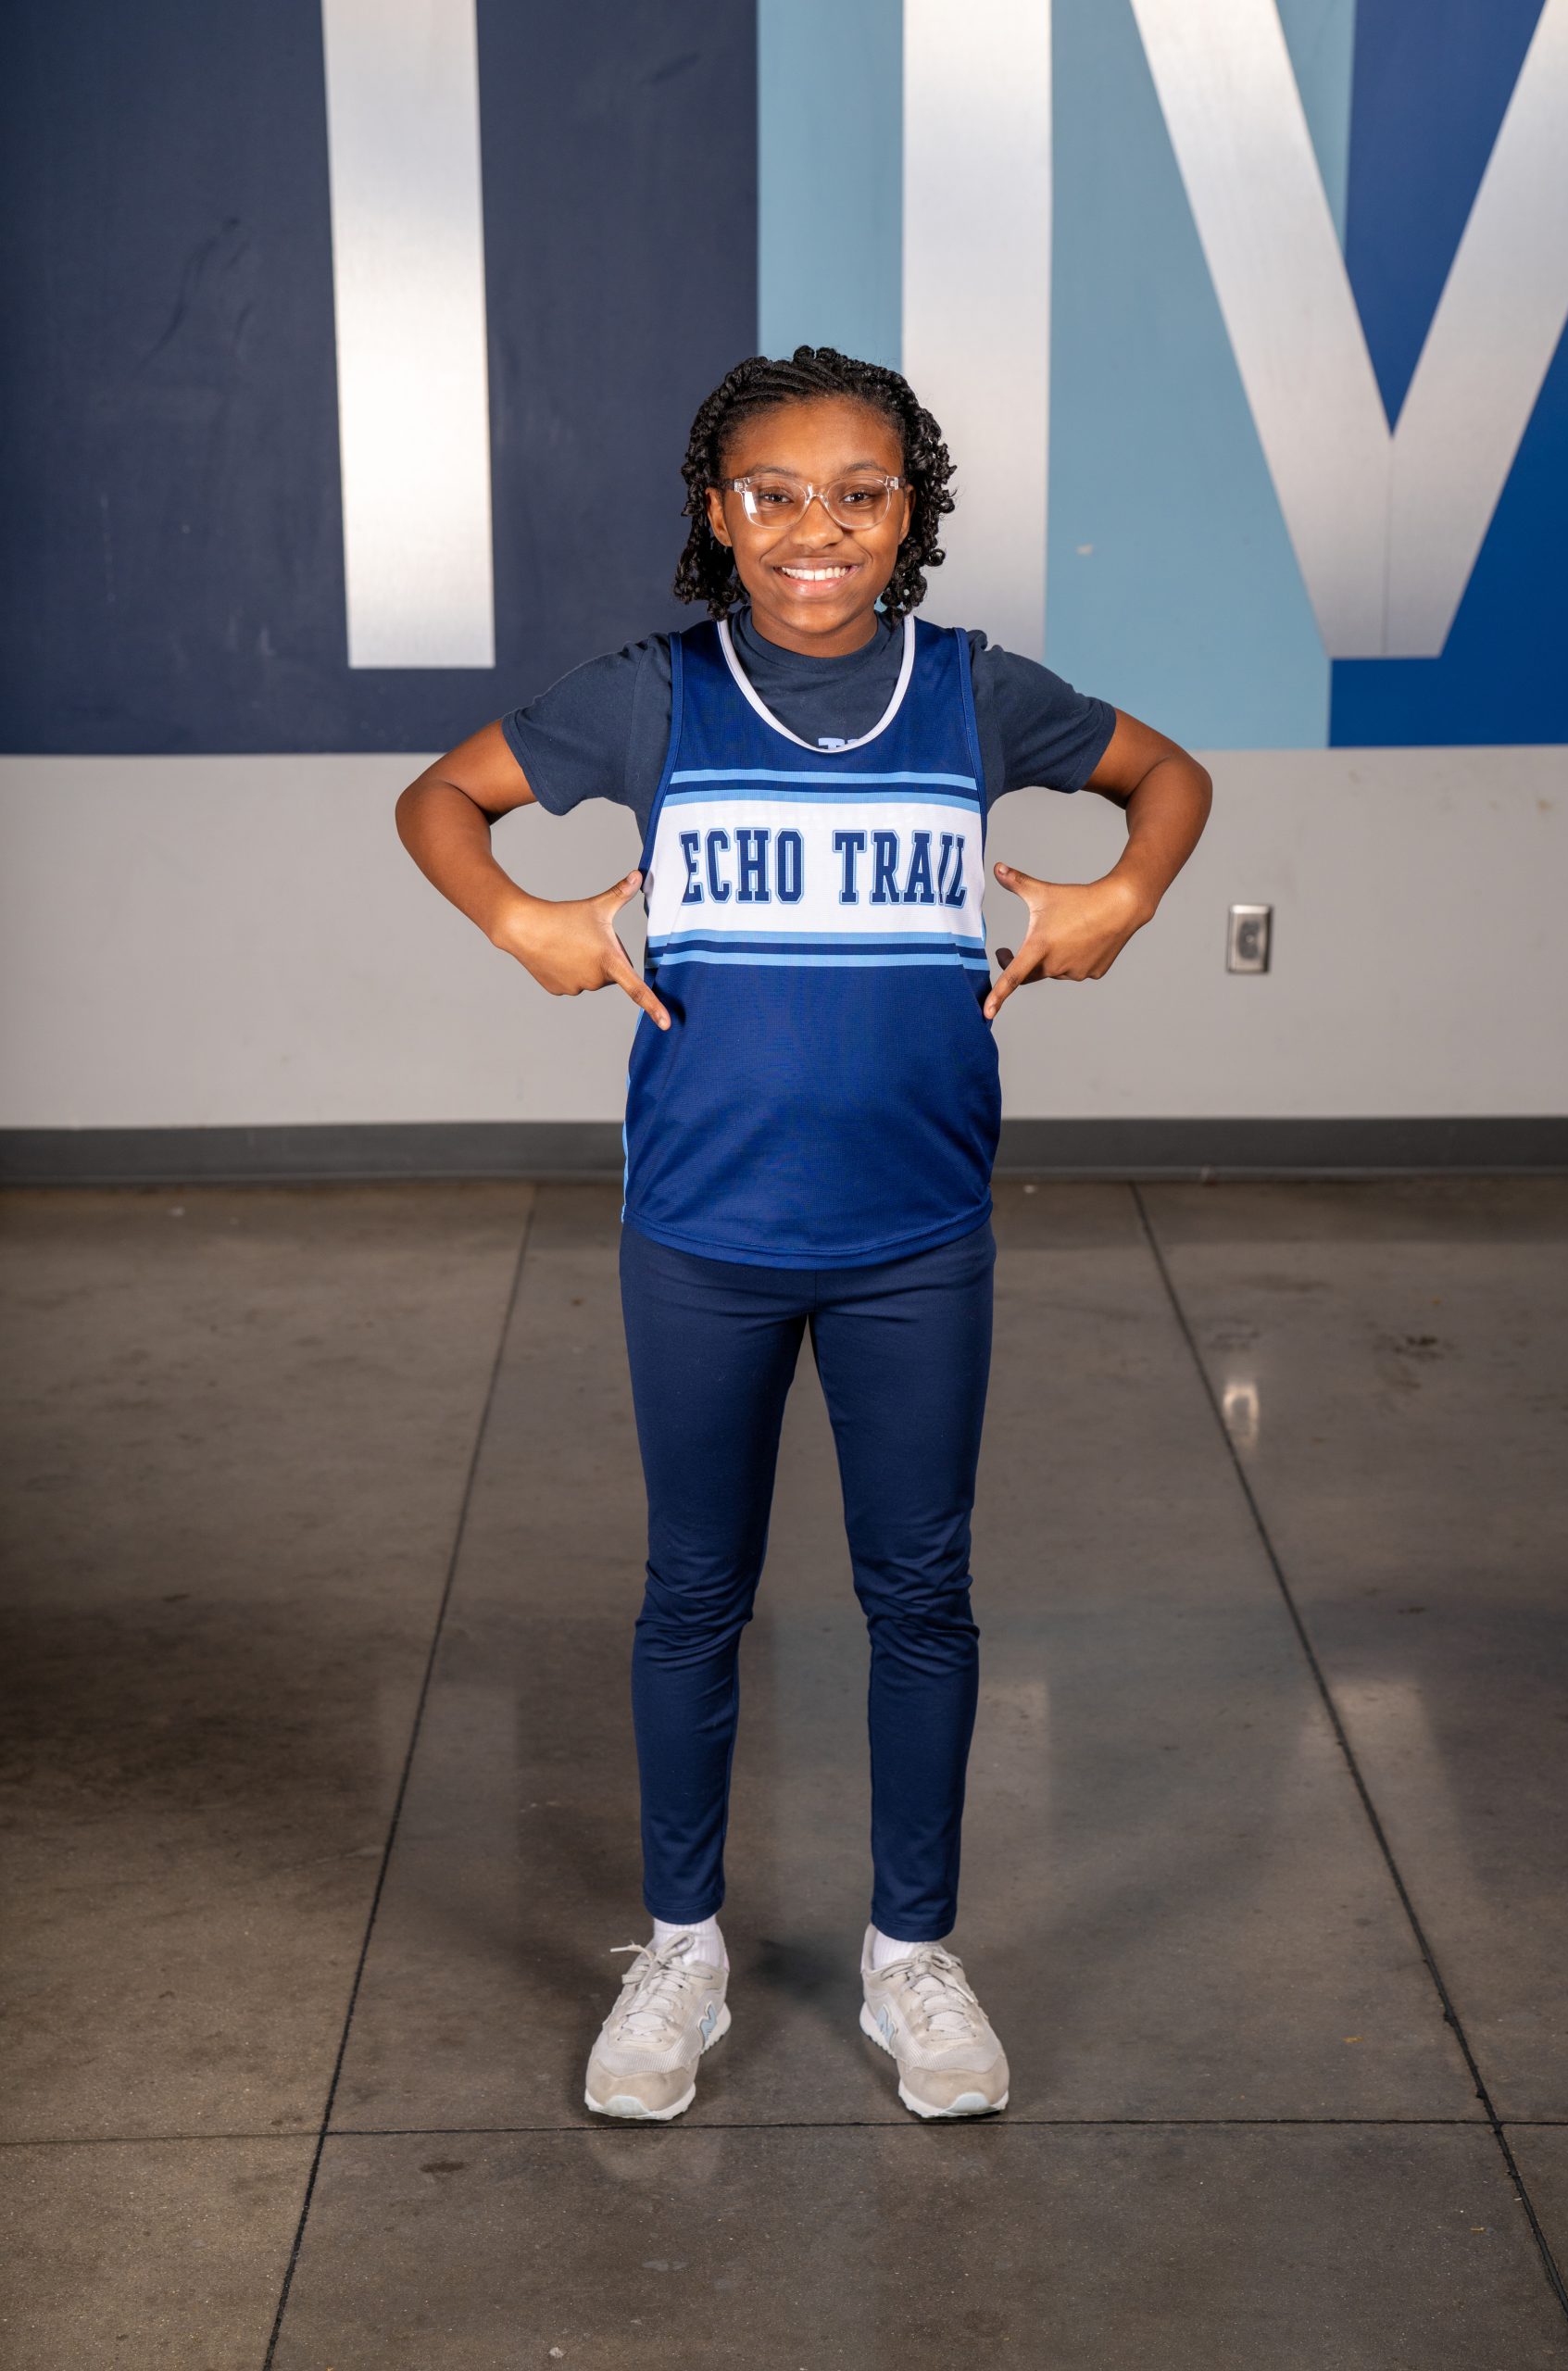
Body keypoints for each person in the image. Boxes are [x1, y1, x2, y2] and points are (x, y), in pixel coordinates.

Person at [395, 345, 1210, 2123]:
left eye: (857, 495)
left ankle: (910, 1952)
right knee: (694, 1593)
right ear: (719, 513)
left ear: (908, 515)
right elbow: (437, 800)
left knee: (919, 1593)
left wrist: (1125, 898)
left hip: (918, 1232)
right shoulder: (652, 695)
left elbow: (1167, 778)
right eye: (772, 495)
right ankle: (679, 1949)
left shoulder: (975, 693)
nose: (813, 529)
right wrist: (525, 923)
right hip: (701, 1231)